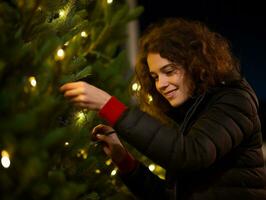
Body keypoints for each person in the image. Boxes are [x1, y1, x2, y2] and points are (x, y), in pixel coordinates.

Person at [60, 18, 266, 200]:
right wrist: (125, 162)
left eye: (169, 71)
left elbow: (188, 155)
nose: (161, 84)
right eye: (155, 76)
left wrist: (109, 106)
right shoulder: (193, 114)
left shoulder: (234, 100)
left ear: (196, 64)